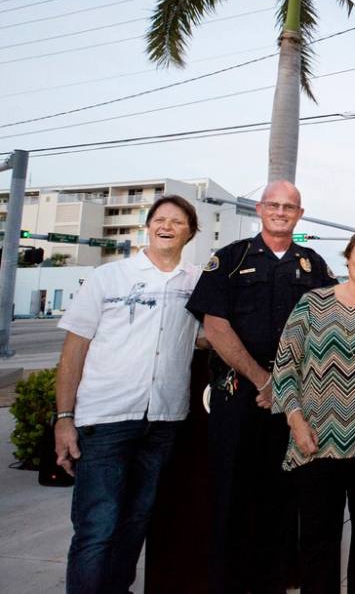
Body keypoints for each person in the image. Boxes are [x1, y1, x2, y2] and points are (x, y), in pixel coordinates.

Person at [186, 180, 336, 594]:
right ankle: (228, 583)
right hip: (239, 395)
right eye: (274, 204)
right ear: (260, 208)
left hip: (294, 404)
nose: (282, 211)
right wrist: (264, 380)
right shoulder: (230, 259)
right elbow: (214, 327)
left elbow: (330, 330)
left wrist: (288, 389)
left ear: (300, 215)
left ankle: (276, 581)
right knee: (231, 494)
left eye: (290, 206)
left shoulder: (315, 265)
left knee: (285, 498)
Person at [54, 195, 202, 594]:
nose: (166, 226)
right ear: (148, 226)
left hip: (164, 420)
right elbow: (73, 351)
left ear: (191, 231)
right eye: (159, 219)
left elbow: (209, 337)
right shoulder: (109, 277)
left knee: (136, 522)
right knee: (97, 527)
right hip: (105, 419)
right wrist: (64, 419)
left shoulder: (197, 283)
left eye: (177, 221)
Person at [271, 224, 355, 594]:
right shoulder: (313, 303)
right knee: (317, 538)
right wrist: (295, 421)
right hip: (315, 438)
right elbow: (285, 366)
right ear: (347, 257)